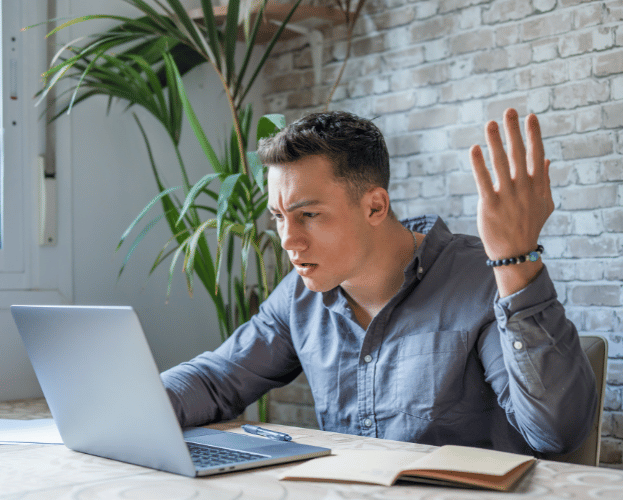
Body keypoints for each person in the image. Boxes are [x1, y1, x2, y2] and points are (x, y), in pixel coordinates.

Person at [160, 108, 597, 456]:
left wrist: (514, 261)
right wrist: (132, 403)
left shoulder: (483, 278)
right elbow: (217, 379)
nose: (288, 240)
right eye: (279, 217)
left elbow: (555, 435)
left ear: (374, 206)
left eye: (309, 215)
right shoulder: (299, 295)